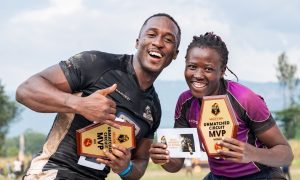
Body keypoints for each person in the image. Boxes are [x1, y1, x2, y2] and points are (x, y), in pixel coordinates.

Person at [16, 13, 181, 179]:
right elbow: (26, 90)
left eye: (168, 40)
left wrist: (125, 167)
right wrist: (80, 104)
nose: (158, 43)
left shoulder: (153, 108)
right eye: (151, 34)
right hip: (54, 171)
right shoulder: (98, 64)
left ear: (175, 53)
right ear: (137, 41)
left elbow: (141, 162)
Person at [149, 32, 294, 179]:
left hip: (261, 175)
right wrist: (164, 158)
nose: (198, 75)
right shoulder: (185, 103)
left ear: (222, 71)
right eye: (192, 66)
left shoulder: (244, 99)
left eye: (208, 69)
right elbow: (176, 163)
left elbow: (286, 154)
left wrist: (252, 153)